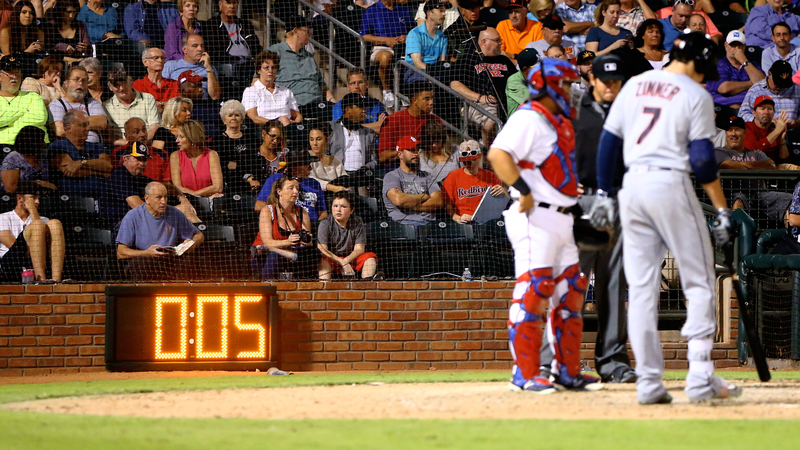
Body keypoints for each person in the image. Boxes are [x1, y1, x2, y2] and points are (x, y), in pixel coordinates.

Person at [590, 32, 741, 403]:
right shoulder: (694, 95)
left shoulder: (635, 84)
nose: (704, 76)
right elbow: (703, 161)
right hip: (670, 183)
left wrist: (605, 194)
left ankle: (648, 382)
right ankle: (701, 376)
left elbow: (608, 143)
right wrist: (722, 209)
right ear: (698, 62)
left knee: (641, 288)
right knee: (699, 280)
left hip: (632, 188)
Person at [487, 58, 598, 393]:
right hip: (534, 216)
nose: (570, 90)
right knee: (535, 290)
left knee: (571, 292)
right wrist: (521, 189)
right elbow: (498, 154)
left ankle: (567, 371)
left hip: (563, 216)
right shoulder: (529, 116)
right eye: (565, 84)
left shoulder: (558, 121)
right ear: (546, 85)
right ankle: (524, 373)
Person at [570, 53, 635, 383]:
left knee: (613, 285)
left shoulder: (630, 110)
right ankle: (562, 360)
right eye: (604, 80)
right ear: (591, 79)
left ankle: (612, 362)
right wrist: (565, 179)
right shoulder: (573, 107)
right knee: (574, 283)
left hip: (619, 200)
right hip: (581, 202)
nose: (610, 86)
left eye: (615, 81)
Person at [116, 181, 204, 281]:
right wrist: (146, 253)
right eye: (158, 197)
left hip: (171, 258)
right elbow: (121, 252)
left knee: (190, 261)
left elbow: (199, 235)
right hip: (145, 259)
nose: (164, 201)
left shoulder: (175, 213)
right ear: (147, 199)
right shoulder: (132, 216)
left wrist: (193, 243)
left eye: (165, 197)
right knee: (142, 264)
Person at [450, 27, 517, 145]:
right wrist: (481, 98)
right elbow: (455, 85)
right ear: (484, 42)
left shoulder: (504, 60)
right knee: (491, 120)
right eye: (497, 40)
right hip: (479, 104)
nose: (501, 43)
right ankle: (487, 148)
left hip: (505, 103)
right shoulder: (467, 59)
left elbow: (516, 80)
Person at [268, 18, 335, 119]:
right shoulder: (275, 51)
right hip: (293, 108)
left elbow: (323, 88)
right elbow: (259, 81)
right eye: (307, 31)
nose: (310, 35)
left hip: (317, 106)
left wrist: (334, 102)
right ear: (295, 31)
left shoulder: (309, 57)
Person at [257, 174, 318, 280]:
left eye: (297, 189)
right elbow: (267, 242)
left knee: (312, 254)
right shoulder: (267, 211)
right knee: (273, 255)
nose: (295, 192)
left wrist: (305, 240)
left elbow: (309, 241)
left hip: (294, 252)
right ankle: (268, 285)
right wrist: (288, 242)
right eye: (291, 188)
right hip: (264, 254)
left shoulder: (302, 212)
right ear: (279, 191)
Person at [0, 182, 64, 282]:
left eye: (39, 198)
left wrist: (33, 211)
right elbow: (12, 245)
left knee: (55, 223)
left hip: (39, 261)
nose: (37, 202)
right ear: (19, 198)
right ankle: (41, 280)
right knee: (38, 224)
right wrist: (32, 209)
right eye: (33, 198)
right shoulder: (3, 218)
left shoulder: (44, 219)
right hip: (12, 261)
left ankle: (56, 280)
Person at [46, 109, 112, 197]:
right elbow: (71, 171)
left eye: (88, 125)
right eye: (83, 125)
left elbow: (108, 166)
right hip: (71, 198)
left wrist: (82, 163)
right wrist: (100, 172)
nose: (88, 128)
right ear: (69, 128)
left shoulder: (96, 146)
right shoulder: (57, 147)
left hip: (101, 196)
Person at [359, 0, 413, 108]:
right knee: (386, 57)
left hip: (403, 47)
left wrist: (407, 37)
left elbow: (414, 31)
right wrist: (386, 40)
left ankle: (405, 92)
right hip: (381, 47)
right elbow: (364, 36)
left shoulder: (403, 9)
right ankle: (386, 91)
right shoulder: (372, 10)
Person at [377, 81, 443, 164]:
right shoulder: (392, 120)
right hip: (398, 167)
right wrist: (410, 151)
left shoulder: (436, 121)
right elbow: (383, 156)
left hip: (430, 164)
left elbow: (442, 149)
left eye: (432, 98)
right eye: (426, 99)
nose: (431, 102)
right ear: (414, 100)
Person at [382, 135, 443, 225]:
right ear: (400, 154)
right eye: (411, 150)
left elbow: (438, 201)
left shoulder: (427, 176)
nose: (416, 154)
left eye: (417, 150)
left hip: (428, 225)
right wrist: (424, 196)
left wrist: (410, 205)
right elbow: (398, 200)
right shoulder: (391, 176)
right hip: (403, 225)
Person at [317, 191, 378, 279]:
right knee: (324, 262)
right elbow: (323, 250)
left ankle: (366, 284)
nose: (338, 210)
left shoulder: (357, 222)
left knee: (370, 258)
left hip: (352, 258)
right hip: (333, 258)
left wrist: (346, 261)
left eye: (343, 206)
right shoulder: (325, 223)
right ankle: (324, 286)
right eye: (335, 206)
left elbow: (359, 249)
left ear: (351, 210)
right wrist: (341, 261)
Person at [210, 100, 265, 196]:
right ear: (224, 120)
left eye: (237, 115)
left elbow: (257, 162)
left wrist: (237, 165)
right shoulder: (217, 140)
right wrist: (247, 173)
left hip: (255, 179)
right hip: (230, 183)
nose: (233, 118)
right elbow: (224, 166)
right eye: (230, 115)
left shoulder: (251, 138)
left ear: (242, 119)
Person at [254, 151, 327, 222]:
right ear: (294, 167)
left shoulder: (314, 183)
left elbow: (323, 212)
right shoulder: (276, 179)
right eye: (306, 164)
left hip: (313, 225)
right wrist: (285, 214)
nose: (310, 168)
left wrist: (319, 226)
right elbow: (259, 205)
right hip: (286, 224)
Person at [442, 139, 503, 223]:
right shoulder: (453, 177)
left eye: (473, 160)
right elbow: (448, 205)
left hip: (488, 221)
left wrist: (503, 192)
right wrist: (457, 218)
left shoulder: (490, 176)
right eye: (466, 161)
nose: (470, 163)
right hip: (464, 222)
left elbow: (498, 203)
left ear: (479, 158)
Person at [103, 67, 161, 147]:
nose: (121, 88)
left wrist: (140, 143)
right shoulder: (106, 106)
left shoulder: (147, 99)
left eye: (124, 83)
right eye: (116, 85)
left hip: (147, 145)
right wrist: (131, 145)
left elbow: (154, 128)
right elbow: (108, 137)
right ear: (110, 87)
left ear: (131, 81)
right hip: (121, 148)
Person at [49, 65, 107, 144]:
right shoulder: (56, 105)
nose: (80, 83)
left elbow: (101, 123)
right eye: (76, 80)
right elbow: (60, 130)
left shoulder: (93, 103)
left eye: (84, 80)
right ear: (66, 83)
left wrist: (70, 123)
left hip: (94, 146)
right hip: (69, 147)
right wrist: (88, 123)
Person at [707, 31, 765, 110]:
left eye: (739, 45)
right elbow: (724, 88)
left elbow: (762, 84)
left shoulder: (752, 65)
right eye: (733, 45)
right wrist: (751, 83)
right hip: (725, 109)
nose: (736, 49)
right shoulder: (719, 65)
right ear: (726, 46)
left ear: (744, 46)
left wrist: (743, 60)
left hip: (752, 108)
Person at [241, 51, 302, 126]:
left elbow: (297, 115)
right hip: (264, 128)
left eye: (273, 67)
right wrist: (278, 124)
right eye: (266, 68)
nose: (270, 71)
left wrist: (294, 125)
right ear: (258, 70)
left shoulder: (286, 91)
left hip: (288, 128)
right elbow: (253, 117)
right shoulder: (251, 91)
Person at [0, 55, 48, 148]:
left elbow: (40, 118)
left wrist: (7, 125)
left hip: (35, 145)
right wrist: (22, 111)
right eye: (9, 73)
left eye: (17, 73)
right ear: (0, 76)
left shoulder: (33, 96)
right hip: (3, 147)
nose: (14, 76)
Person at [101, 142, 153, 227]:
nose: (142, 163)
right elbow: (138, 206)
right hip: (119, 226)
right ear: (125, 159)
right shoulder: (119, 176)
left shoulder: (142, 179)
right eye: (138, 159)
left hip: (137, 225)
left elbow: (163, 188)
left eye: (144, 160)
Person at [169, 119, 222, 199]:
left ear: (192, 138)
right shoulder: (175, 156)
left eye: (181, 137)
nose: (177, 141)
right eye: (177, 137)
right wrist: (195, 196)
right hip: (187, 200)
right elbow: (177, 187)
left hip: (210, 200)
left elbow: (218, 187)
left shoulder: (211, 155)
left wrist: (195, 195)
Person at [739, 60, 800, 127]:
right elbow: (742, 114)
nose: (780, 88)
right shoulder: (757, 90)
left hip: (792, 131)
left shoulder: (796, 89)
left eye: (784, 85)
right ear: (769, 74)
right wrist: (761, 121)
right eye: (777, 84)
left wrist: (796, 122)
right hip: (764, 130)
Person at [162, 33, 221, 101]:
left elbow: (215, 96)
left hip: (201, 104)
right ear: (185, 49)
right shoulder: (170, 66)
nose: (200, 49)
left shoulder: (209, 68)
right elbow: (162, 91)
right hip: (177, 103)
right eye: (195, 46)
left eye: (202, 46)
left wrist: (208, 68)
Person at [111, 117, 171, 184]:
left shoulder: (162, 154)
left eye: (144, 130)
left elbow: (167, 183)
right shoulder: (118, 152)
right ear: (126, 136)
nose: (142, 134)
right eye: (137, 132)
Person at [329, 93, 379, 173]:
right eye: (360, 107)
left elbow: (374, 161)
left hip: (360, 176)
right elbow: (323, 155)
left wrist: (365, 169)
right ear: (348, 109)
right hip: (336, 175)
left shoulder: (369, 133)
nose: (364, 110)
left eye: (365, 107)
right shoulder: (330, 128)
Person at [203, 0, 262, 66]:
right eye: (228, 3)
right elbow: (214, 52)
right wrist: (237, 59)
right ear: (220, 5)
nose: (232, 6)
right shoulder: (211, 25)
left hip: (249, 63)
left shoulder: (246, 24)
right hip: (226, 64)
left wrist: (257, 57)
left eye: (234, 3)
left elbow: (256, 46)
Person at [404, 1, 449, 82]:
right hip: (415, 72)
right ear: (429, 13)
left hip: (435, 73)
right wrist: (433, 74)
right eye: (441, 10)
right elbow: (417, 63)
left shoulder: (443, 37)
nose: (444, 14)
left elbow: (442, 61)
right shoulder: (415, 34)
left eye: (444, 11)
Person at [331, 67, 387, 134]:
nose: (356, 86)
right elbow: (341, 128)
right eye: (353, 83)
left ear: (367, 84)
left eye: (360, 82)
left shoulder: (377, 105)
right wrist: (376, 125)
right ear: (348, 86)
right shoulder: (340, 106)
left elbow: (386, 126)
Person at [1, 126, 56, 193]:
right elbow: (10, 188)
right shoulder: (13, 158)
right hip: (18, 197)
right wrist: (38, 183)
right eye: (42, 140)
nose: (44, 143)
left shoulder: (43, 156)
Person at [133, 47, 179, 114]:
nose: (160, 60)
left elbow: (178, 105)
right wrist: (166, 104)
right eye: (156, 58)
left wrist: (157, 104)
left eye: (162, 58)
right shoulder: (138, 84)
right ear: (145, 62)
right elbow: (141, 106)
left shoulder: (174, 83)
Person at [744, 95, 790, 164]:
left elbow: (784, 162)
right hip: (751, 167)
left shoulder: (773, 131)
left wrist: (781, 142)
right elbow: (753, 152)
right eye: (762, 109)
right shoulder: (746, 127)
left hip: (772, 168)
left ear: (773, 114)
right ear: (754, 113)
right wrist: (777, 131)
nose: (766, 112)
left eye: (770, 109)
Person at [498, 0, 543, 65]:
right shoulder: (502, 26)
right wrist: (517, 63)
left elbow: (538, 54)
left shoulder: (537, 26)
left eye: (517, 12)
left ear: (525, 12)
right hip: (509, 66)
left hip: (531, 66)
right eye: (510, 12)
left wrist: (513, 56)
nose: (513, 16)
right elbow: (500, 53)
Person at [308, 122, 348, 194]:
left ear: (327, 139)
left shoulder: (336, 161)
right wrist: (331, 187)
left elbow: (345, 179)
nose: (314, 143)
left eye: (318, 139)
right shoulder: (305, 158)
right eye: (311, 139)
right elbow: (309, 180)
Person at [418, 119, 459, 184]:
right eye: (430, 142)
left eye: (437, 141)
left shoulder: (456, 151)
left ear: (442, 139)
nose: (434, 145)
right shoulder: (420, 155)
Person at [506, 48, 539, 113]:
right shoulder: (513, 81)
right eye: (537, 67)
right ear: (525, 69)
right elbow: (534, 102)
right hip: (521, 118)